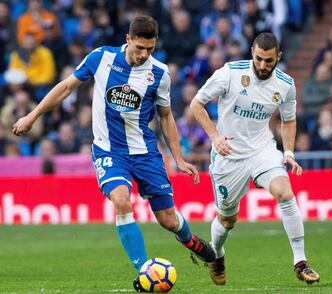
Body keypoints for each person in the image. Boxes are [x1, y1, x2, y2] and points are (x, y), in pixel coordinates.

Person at [12, 15, 215, 291]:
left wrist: (178, 157)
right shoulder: (101, 58)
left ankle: (192, 242)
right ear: (128, 39)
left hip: (145, 153)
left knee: (167, 219)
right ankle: (145, 271)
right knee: (121, 200)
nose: (144, 55)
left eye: (150, 49)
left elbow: (166, 117)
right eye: (140, 48)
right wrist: (32, 116)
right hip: (109, 150)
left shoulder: (160, 74)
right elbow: (65, 88)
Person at [190, 32, 320, 286]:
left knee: (285, 192)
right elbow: (197, 104)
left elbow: (289, 118)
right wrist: (215, 137)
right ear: (252, 52)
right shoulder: (229, 73)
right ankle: (216, 254)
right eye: (259, 58)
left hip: (262, 150)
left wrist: (289, 153)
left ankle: (301, 262)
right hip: (229, 154)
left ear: (278, 57)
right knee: (227, 220)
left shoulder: (285, 84)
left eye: (269, 61)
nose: (262, 65)